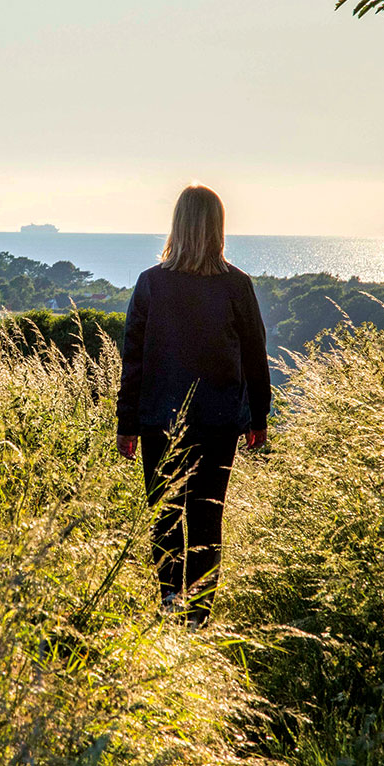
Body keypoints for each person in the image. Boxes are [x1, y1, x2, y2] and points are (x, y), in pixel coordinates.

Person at [116, 185, 271, 626]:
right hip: (219, 423)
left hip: (158, 424)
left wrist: (127, 424)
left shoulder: (151, 284)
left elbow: (134, 360)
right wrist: (258, 416)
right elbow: (255, 357)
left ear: (177, 225)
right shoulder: (237, 286)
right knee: (207, 521)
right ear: (219, 227)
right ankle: (198, 621)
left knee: (166, 517)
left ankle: (170, 608)